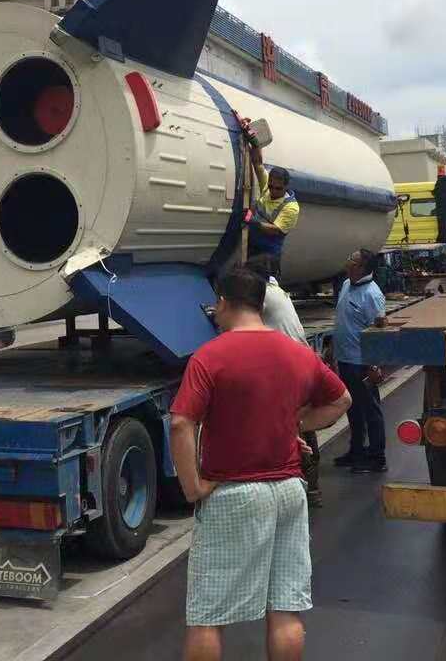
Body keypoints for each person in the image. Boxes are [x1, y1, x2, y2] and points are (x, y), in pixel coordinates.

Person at [170, 267, 352, 661]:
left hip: (234, 495)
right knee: (285, 610)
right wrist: (296, 423)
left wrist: (193, 487)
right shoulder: (297, 353)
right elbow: (341, 401)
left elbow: (182, 423)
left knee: (207, 616)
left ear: (223, 303)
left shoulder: (210, 356)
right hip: (289, 491)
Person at [246, 255, 322, 508]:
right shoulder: (277, 289)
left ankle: (305, 486)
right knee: (301, 424)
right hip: (301, 360)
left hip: (289, 367)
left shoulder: (264, 296)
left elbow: (241, 314)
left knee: (293, 425)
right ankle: (311, 487)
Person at [332, 248, 389, 474]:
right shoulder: (347, 285)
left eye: (352, 261)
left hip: (362, 362)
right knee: (352, 408)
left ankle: (377, 457)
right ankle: (356, 450)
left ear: (362, 268)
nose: (347, 263)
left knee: (370, 410)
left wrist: (376, 365)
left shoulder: (372, 295)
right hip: (345, 359)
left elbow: (378, 332)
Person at [242, 123, 299, 278]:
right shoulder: (267, 186)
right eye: (271, 186)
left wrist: (252, 222)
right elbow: (258, 163)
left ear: (286, 186)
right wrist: (254, 141)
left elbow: (276, 229)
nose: (273, 191)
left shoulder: (291, 207)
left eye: (278, 188)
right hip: (253, 246)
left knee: (264, 288)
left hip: (268, 255)